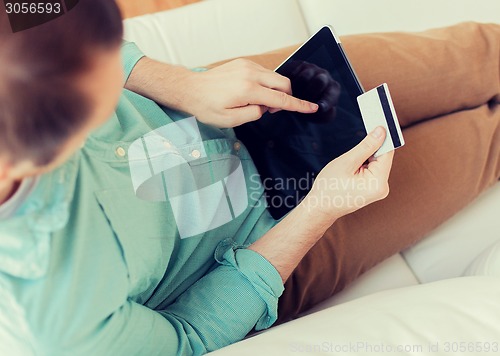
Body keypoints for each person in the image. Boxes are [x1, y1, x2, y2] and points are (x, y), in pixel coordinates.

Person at [0, 2, 498, 356]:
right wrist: (320, 210)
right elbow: (187, 336)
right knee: (490, 142)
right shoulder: (57, 322)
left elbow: (30, 11)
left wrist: (174, 81)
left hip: (236, 102)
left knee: (479, 53)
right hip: (273, 245)